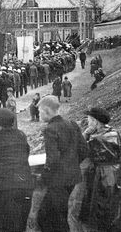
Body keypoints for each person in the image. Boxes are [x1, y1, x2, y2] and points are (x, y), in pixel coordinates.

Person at [79, 107, 121, 231]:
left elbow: (81, 148)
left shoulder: (96, 138)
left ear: (95, 121)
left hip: (103, 175)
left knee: (102, 208)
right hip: (118, 172)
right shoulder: (114, 132)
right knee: (116, 207)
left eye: (89, 119)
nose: (88, 122)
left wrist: (86, 133)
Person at [37, 95, 87, 232]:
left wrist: (43, 177)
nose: (39, 115)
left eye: (40, 111)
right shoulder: (72, 124)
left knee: (49, 218)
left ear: (47, 110)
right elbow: (84, 150)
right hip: (72, 177)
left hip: (57, 180)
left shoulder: (50, 129)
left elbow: (52, 159)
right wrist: (72, 164)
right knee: (55, 216)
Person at [0, 108, 34, 232]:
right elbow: (26, 153)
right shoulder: (21, 135)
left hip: (7, 186)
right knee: (21, 224)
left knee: (10, 225)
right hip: (25, 183)